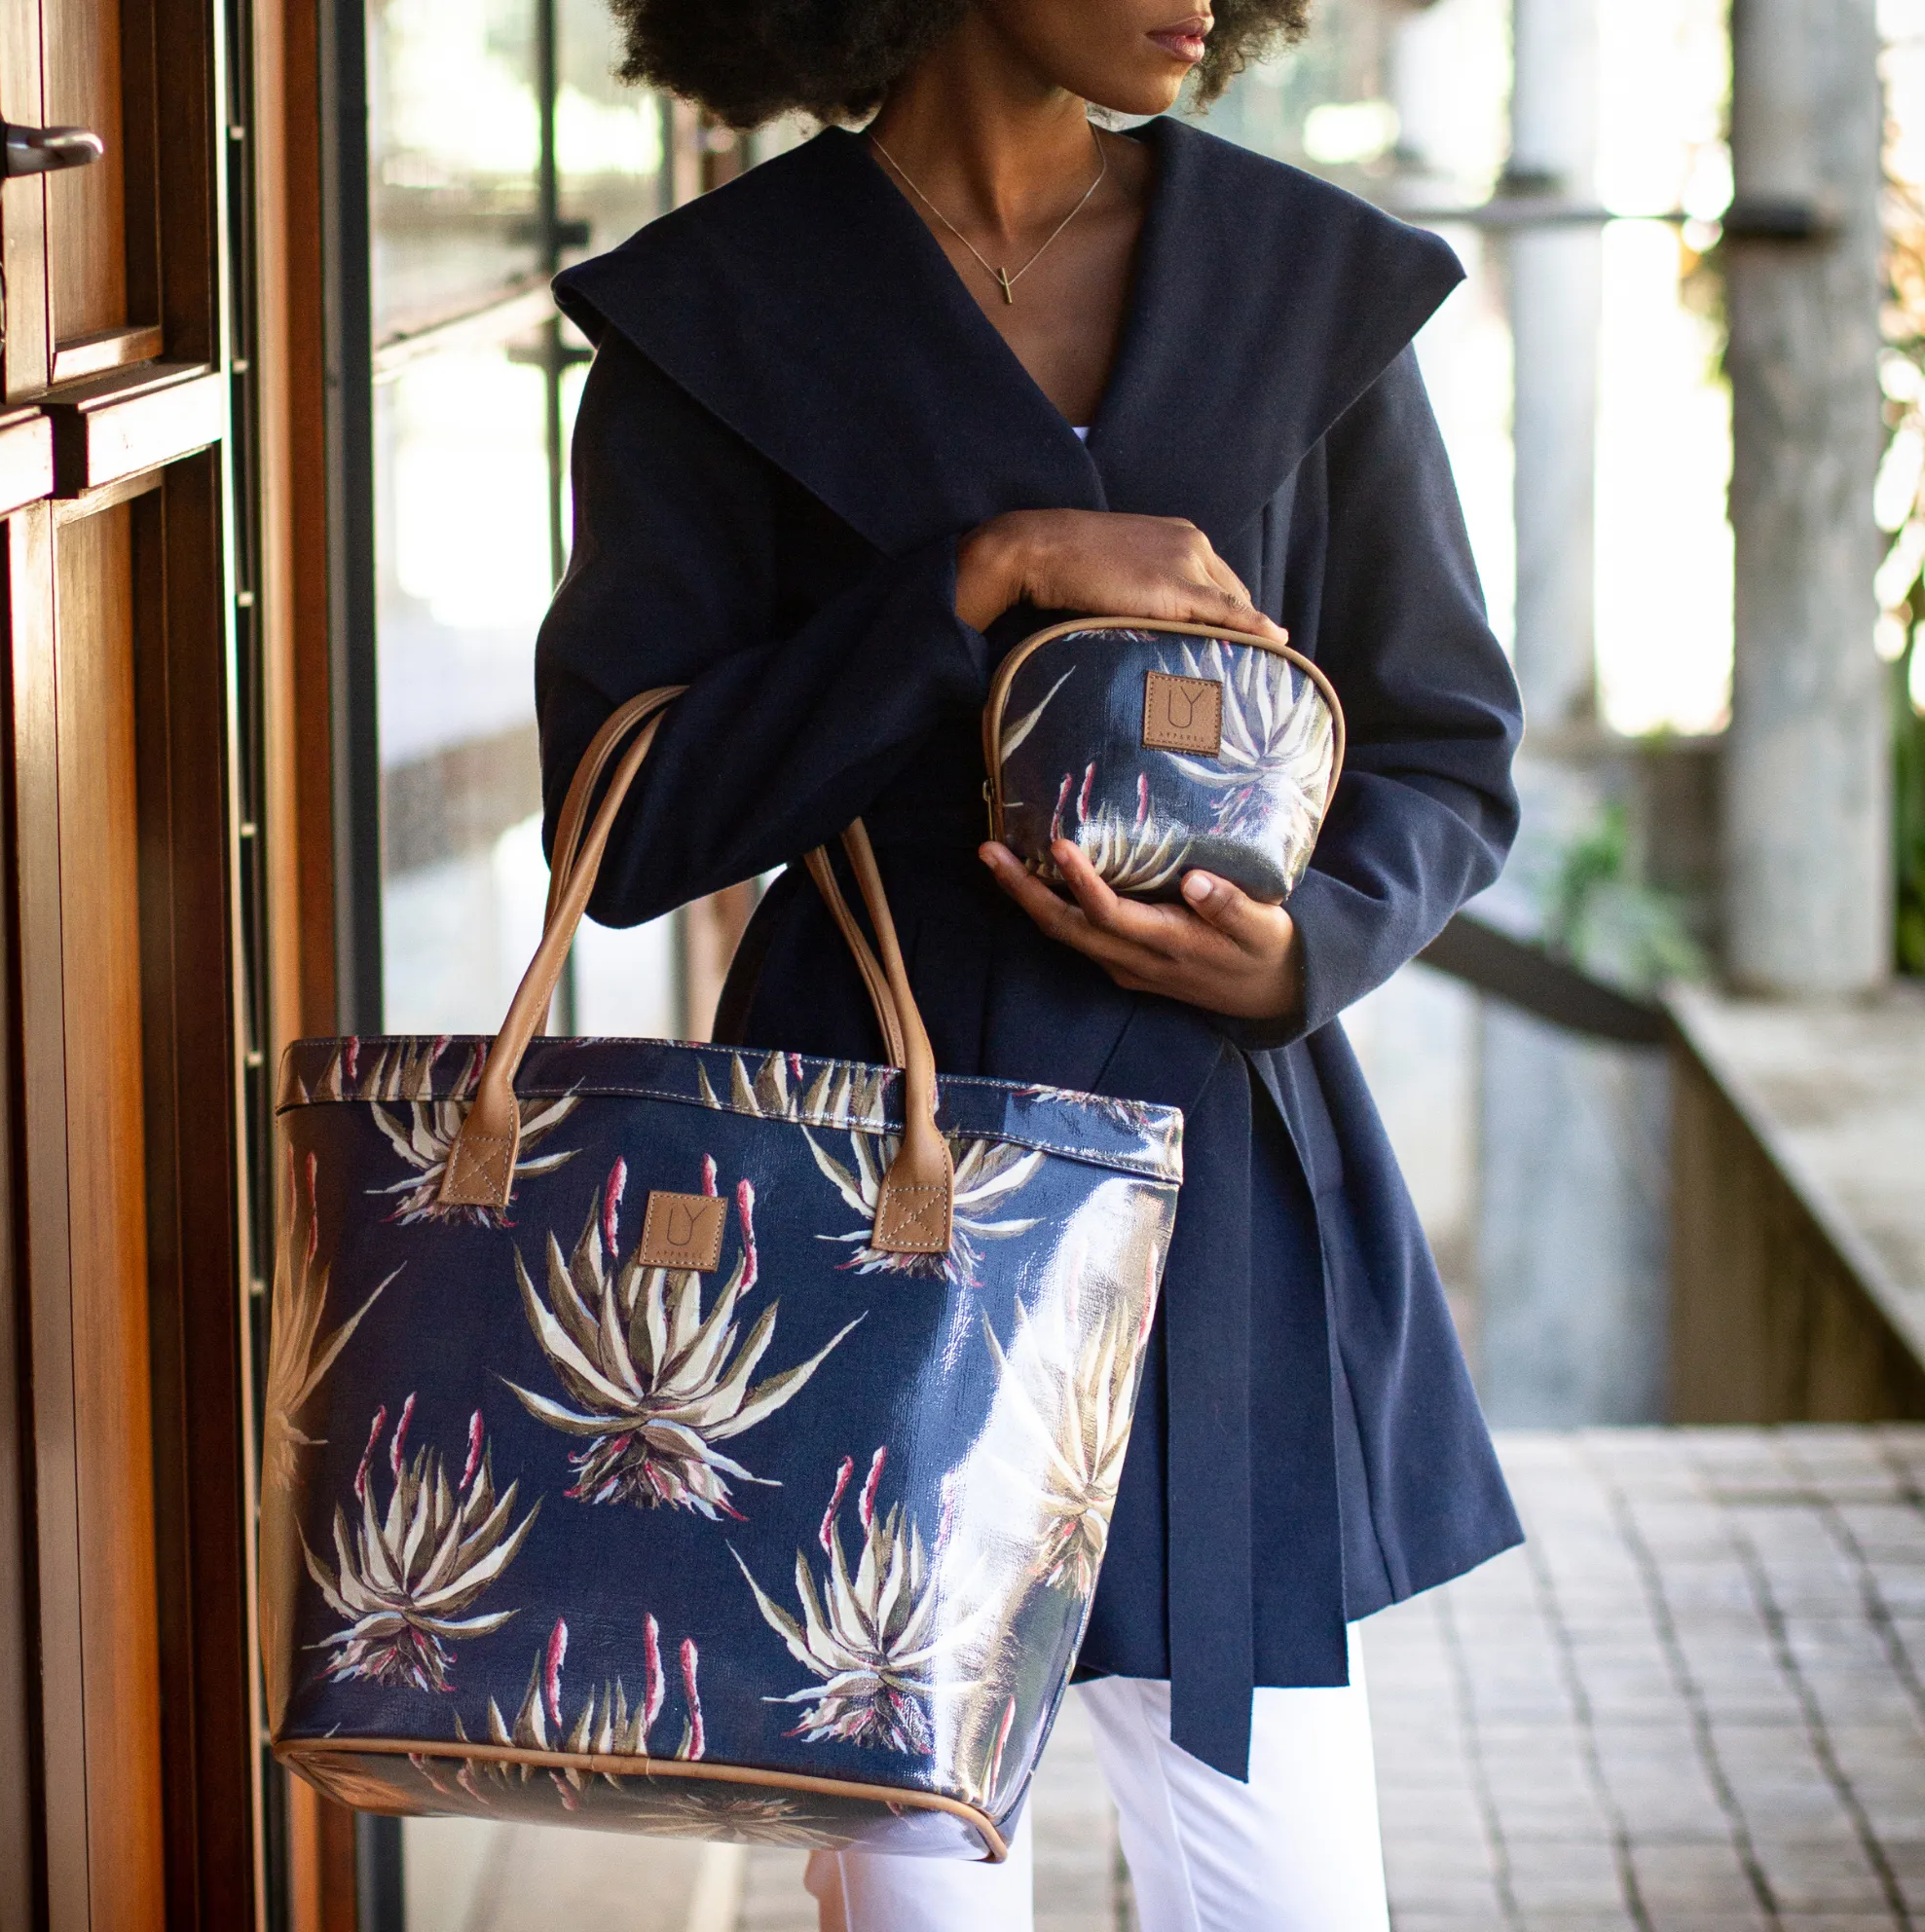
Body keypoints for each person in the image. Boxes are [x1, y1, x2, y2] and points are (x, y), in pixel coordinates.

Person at [537, 3, 1525, 1925]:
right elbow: (627, 810)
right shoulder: (720, 311)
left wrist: (1299, 951)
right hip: (862, 1202)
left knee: (1283, 1893)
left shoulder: (1296, 281)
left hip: (1214, 1192)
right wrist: (977, 577)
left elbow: (1438, 745)